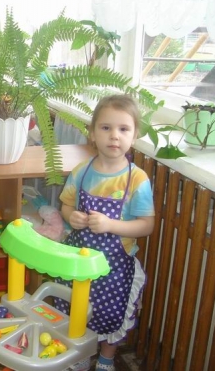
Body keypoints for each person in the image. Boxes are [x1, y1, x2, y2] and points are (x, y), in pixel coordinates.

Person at [56, 95, 155, 371]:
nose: (114, 136)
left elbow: (147, 225)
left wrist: (112, 225)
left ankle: (106, 357)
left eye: (123, 129)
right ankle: (79, 353)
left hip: (115, 266)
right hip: (79, 261)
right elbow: (66, 205)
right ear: (92, 133)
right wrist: (71, 217)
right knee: (76, 308)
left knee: (111, 311)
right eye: (106, 127)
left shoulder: (137, 179)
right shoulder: (81, 171)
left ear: (134, 135)